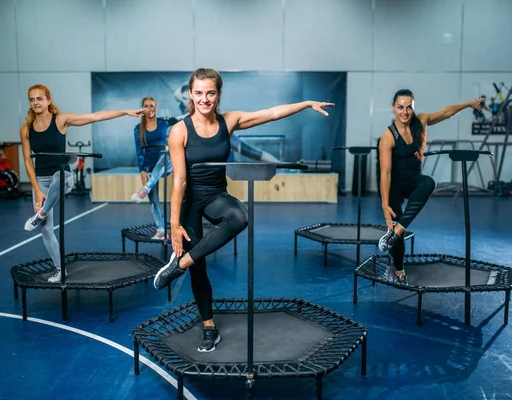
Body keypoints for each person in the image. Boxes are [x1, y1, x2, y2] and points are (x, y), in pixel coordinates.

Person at [152, 68, 334, 352]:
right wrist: (174, 224)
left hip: (215, 196)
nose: (204, 99)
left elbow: (272, 112)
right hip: (190, 200)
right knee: (200, 270)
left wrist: (306, 104)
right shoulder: (179, 131)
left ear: (218, 94)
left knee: (239, 216)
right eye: (198, 93)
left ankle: (180, 264)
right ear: (191, 94)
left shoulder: (230, 121)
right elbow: (179, 180)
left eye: (210, 93)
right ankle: (209, 327)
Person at [20, 84, 142, 283]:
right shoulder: (26, 129)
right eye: (32, 99)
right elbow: (27, 160)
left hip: (62, 176)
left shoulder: (61, 120)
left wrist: (125, 112)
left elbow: (95, 116)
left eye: (39, 98)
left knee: (59, 178)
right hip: (41, 180)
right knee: (46, 229)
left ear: (48, 100)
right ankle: (60, 270)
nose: (36, 103)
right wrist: (36, 189)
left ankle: (40, 214)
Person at [377, 89, 484, 284]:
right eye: (400, 107)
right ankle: (399, 269)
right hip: (394, 186)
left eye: (409, 107)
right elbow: (385, 173)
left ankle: (397, 231)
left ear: (413, 107)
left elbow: (446, 112)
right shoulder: (388, 137)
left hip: (413, 180)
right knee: (396, 227)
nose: (405, 112)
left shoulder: (421, 121)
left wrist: (468, 104)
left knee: (429, 182)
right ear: (394, 107)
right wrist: (385, 204)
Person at [131, 97, 181, 240]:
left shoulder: (164, 122)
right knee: (153, 200)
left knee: (166, 155)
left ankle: (145, 188)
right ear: (142, 109)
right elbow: (139, 150)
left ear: (156, 107)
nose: (149, 109)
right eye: (146, 106)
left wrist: (196, 110)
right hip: (150, 167)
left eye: (152, 106)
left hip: (167, 163)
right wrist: (142, 170)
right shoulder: (137, 129)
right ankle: (161, 229)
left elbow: (182, 118)